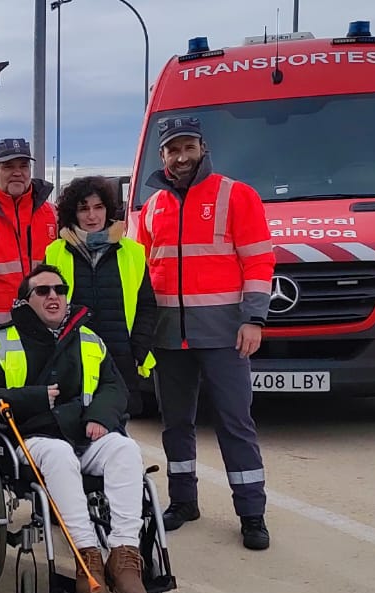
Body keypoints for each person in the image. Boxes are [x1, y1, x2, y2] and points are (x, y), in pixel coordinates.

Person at [0, 265, 148, 593]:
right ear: (25, 301)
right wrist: (34, 397)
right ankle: (87, 557)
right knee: (59, 456)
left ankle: (125, 555)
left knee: (125, 449)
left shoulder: (90, 339)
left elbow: (113, 386)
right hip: (30, 439)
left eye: (60, 290)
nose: (54, 296)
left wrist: (101, 417)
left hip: (82, 434)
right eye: (43, 291)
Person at [137, 115, 274, 551]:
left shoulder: (237, 196)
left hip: (225, 335)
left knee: (235, 424)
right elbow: (139, 273)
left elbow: (258, 262)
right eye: (172, 150)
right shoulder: (153, 206)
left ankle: (251, 513)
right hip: (168, 338)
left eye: (188, 148)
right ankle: (183, 501)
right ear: (162, 156)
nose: (181, 157)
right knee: (176, 424)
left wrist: (254, 319)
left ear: (202, 148)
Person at [45, 176, 157, 416]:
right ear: (72, 213)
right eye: (83, 209)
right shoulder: (55, 252)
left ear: (108, 209)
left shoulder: (133, 253)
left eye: (98, 207)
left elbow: (146, 306)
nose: (92, 216)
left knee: (116, 434)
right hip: (72, 358)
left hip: (119, 357)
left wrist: (137, 350)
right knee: (73, 428)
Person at [0, 138, 58, 326]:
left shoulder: (54, 214)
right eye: (8, 166)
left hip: (45, 323)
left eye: (23, 166)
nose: (17, 173)